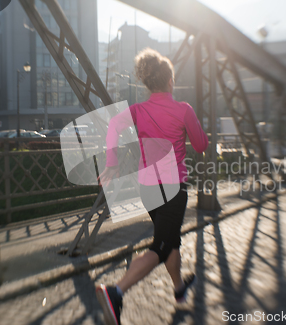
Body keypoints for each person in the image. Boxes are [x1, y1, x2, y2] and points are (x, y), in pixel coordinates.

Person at [95, 48, 208, 325]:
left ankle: (179, 289)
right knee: (160, 246)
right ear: (170, 82)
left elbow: (113, 125)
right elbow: (202, 145)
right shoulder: (183, 110)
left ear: (147, 84)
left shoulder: (138, 110)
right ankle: (116, 292)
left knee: (170, 240)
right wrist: (193, 127)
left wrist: (112, 162)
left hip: (148, 189)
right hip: (173, 188)